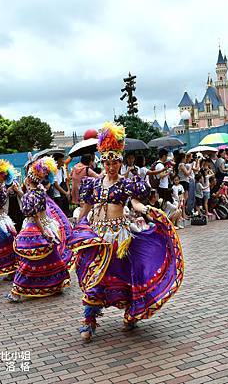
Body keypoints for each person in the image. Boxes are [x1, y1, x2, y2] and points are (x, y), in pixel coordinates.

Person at [71, 122, 184, 342]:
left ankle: (131, 312)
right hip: (96, 236)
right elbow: (85, 209)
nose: (111, 166)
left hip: (119, 237)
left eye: (115, 161)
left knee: (126, 276)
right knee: (95, 277)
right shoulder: (92, 185)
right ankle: (89, 320)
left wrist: (149, 210)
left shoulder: (127, 184)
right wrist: (77, 227)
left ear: (120, 162)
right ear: (102, 161)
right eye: (107, 161)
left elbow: (134, 204)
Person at [8, 157, 73, 302]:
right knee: (49, 257)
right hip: (42, 226)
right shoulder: (39, 192)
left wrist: (44, 232)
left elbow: (33, 216)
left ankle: (21, 289)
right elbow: (37, 214)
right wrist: (46, 232)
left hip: (32, 228)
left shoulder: (29, 195)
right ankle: (54, 283)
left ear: (28, 180)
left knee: (33, 260)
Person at [52, 152, 71, 217]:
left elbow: (66, 181)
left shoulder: (63, 169)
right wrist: (66, 193)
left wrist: (68, 191)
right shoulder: (54, 170)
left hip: (64, 194)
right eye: (62, 159)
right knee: (60, 214)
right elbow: (55, 184)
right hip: (57, 195)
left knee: (66, 213)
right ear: (57, 160)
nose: (63, 161)